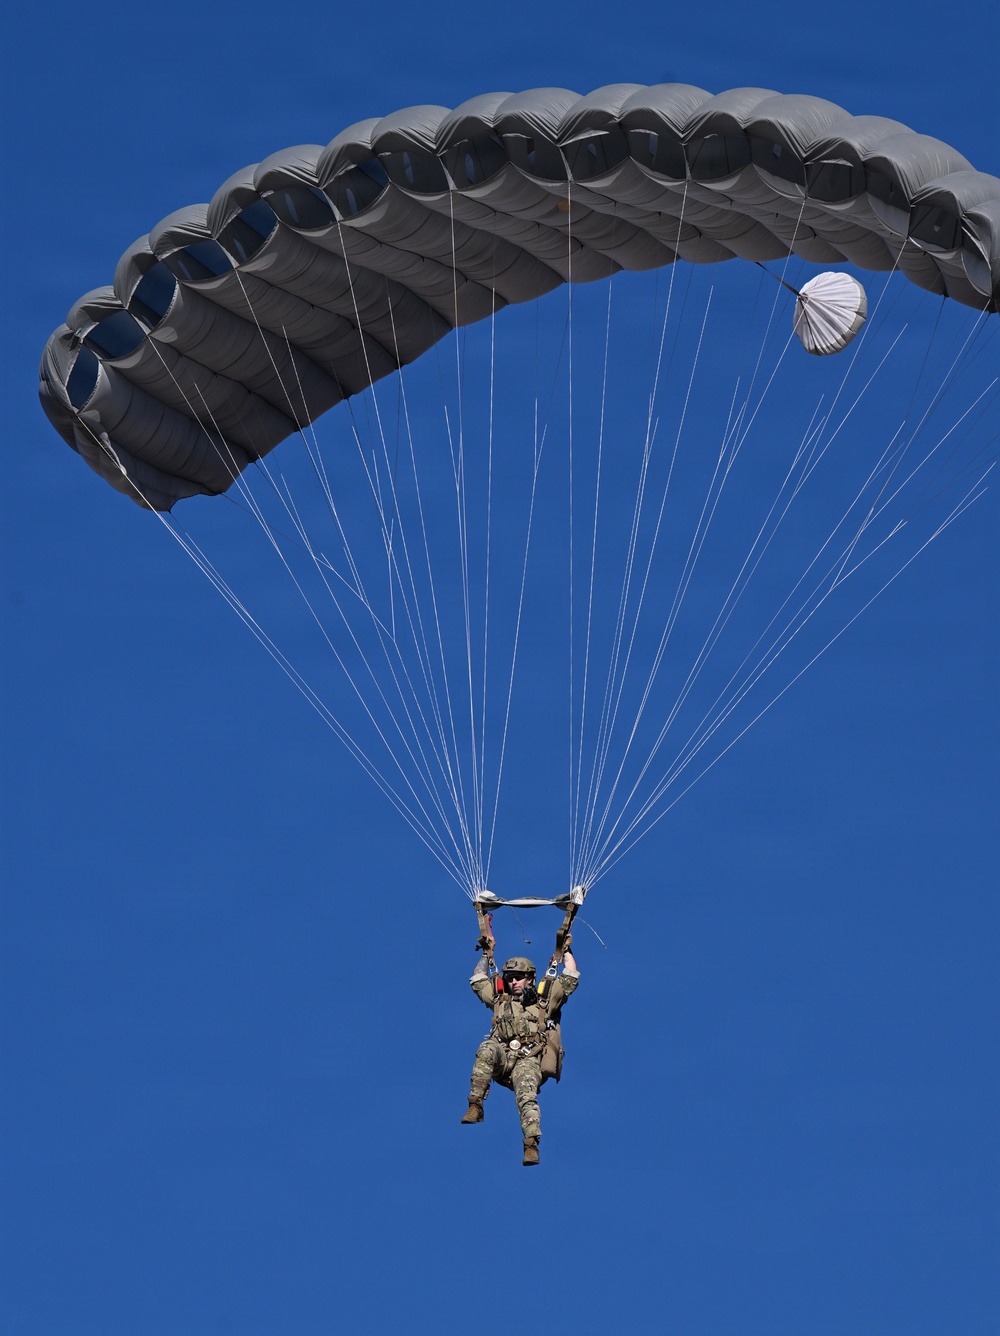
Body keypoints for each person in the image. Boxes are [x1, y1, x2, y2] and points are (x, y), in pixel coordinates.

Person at [461, 944, 579, 1166]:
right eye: (510, 978)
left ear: (530, 979)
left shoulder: (546, 999)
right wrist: (486, 955)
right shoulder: (499, 999)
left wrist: (566, 950)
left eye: (518, 977)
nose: (513, 982)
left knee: (526, 1096)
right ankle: (476, 1105)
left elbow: (570, 975)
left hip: (529, 1059)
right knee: (486, 1048)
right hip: (503, 1058)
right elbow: (478, 979)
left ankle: (531, 1145)